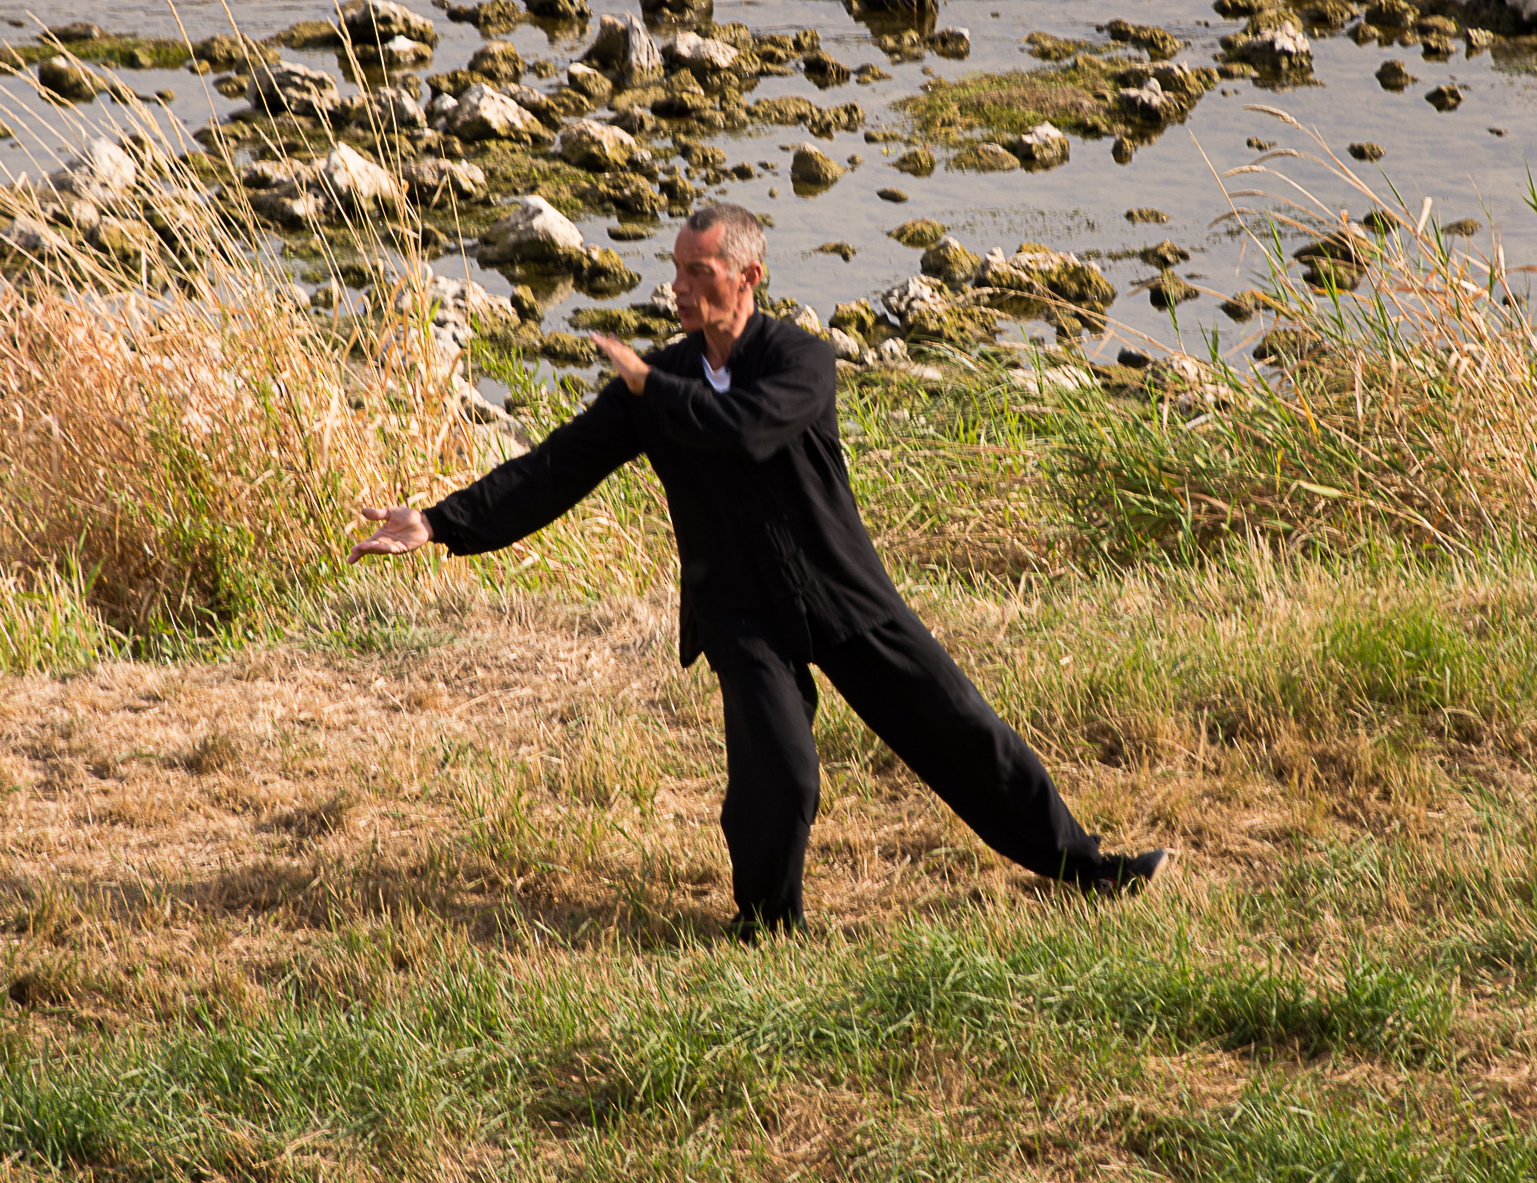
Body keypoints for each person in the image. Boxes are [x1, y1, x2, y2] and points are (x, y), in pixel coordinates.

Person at [351, 203, 1171, 937]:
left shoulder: (799, 361)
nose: (675, 286)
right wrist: (439, 521)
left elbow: (745, 430)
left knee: (962, 728)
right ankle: (768, 923)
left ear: (748, 276)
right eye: (674, 268)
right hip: (738, 607)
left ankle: (1083, 868)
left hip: (842, 592)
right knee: (780, 772)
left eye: (695, 271)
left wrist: (649, 387)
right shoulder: (659, 379)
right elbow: (556, 468)